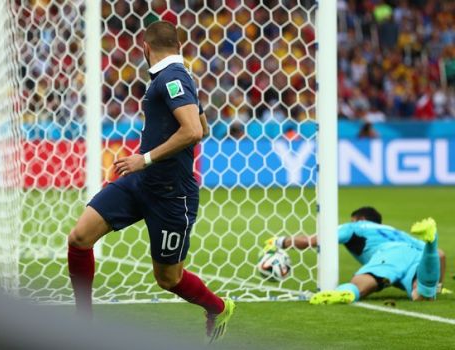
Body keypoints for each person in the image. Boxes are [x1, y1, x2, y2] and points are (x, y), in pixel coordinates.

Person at [67, 20, 234, 342]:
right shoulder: (177, 77)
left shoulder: (172, 79)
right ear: (179, 46)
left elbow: (195, 132)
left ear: (145, 47)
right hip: (140, 182)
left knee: (168, 279)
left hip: (172, 195)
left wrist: (144, 157)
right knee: (79, 237)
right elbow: (202, 125)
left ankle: (219, 307)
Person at [264, 207, 448, 304]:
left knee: (368, 280)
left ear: (359, 219)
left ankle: (346, 292)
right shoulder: (394, 230)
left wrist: (280, 241)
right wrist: (439, 284)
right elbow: (442, 257)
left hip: (389, 254)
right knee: (422, 294)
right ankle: (433, 264)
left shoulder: (356, 227)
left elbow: (313, 241)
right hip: (414, 252)